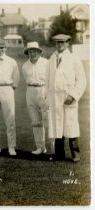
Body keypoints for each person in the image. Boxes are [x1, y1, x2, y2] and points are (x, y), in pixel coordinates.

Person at [46, 34, 86, 162]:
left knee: (71, 124)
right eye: (57, 42)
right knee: (57, 124)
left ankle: (75, 153)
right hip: (55, 96)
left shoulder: (74, 59)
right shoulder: (51, 59)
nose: (59, 44)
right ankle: (59, 154)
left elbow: (82, 81)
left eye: (62, 42)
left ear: (68, 43)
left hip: (68, 96)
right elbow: (47, 80)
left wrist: (73, 95)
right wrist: (47, 96)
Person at [22, 41, 50, 155]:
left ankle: (52, 147)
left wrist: (48, 95)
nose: (32, 53)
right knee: (35, 121)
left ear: (39, 52)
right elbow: (26, 79)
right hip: (30, 91)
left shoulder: (46, 63)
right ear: (27, 52)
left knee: (47, 121)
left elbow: (50, 80)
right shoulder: (25, 66)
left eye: (34, 51)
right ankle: (40, 147)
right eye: (30, 51)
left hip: (44, 90)